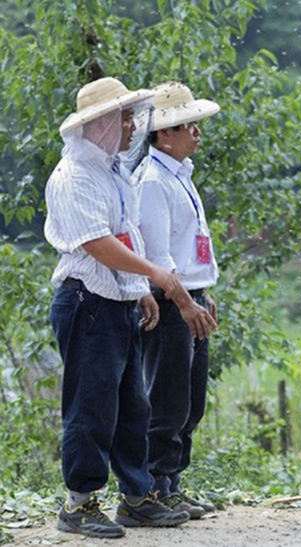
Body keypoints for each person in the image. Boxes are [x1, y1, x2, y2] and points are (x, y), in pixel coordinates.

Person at [45, 77, 217, 539]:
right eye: (122, 117)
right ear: (99, 124)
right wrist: (159, 278)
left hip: (117, 301)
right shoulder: (74, 176)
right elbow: (98, 245)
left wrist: (139, 287)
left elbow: (126, 234)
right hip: (87, 303)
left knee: (132, 407)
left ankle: (137, 497)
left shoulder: (113, 171)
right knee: (90, 406)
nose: (131, 125)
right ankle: (79, 503)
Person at [133, 82, 221, 519]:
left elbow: (192, 246)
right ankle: (152, 486)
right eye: (190, 127)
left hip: (190, 296)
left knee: (190, 400)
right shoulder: (152, 182)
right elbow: (159, 258)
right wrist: (187, 302)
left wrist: (204, 294)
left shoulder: (179, 176)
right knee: (166, 400)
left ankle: (173, 482)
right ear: (164, 134)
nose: (197, 134)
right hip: (170, 302)